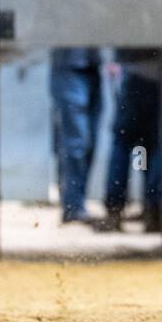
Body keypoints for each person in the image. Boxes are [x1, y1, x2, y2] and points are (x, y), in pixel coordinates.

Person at [96, 48, 162, 233]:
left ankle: (115, 209)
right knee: (152, 144)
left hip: (133, 73)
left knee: (124, 142)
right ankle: (154, 210)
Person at [50, 47, 102, 224]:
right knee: (76, 141)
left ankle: (77, 202)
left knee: (89, 142)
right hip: (68, 66)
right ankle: (72, 205)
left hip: (94, 65)